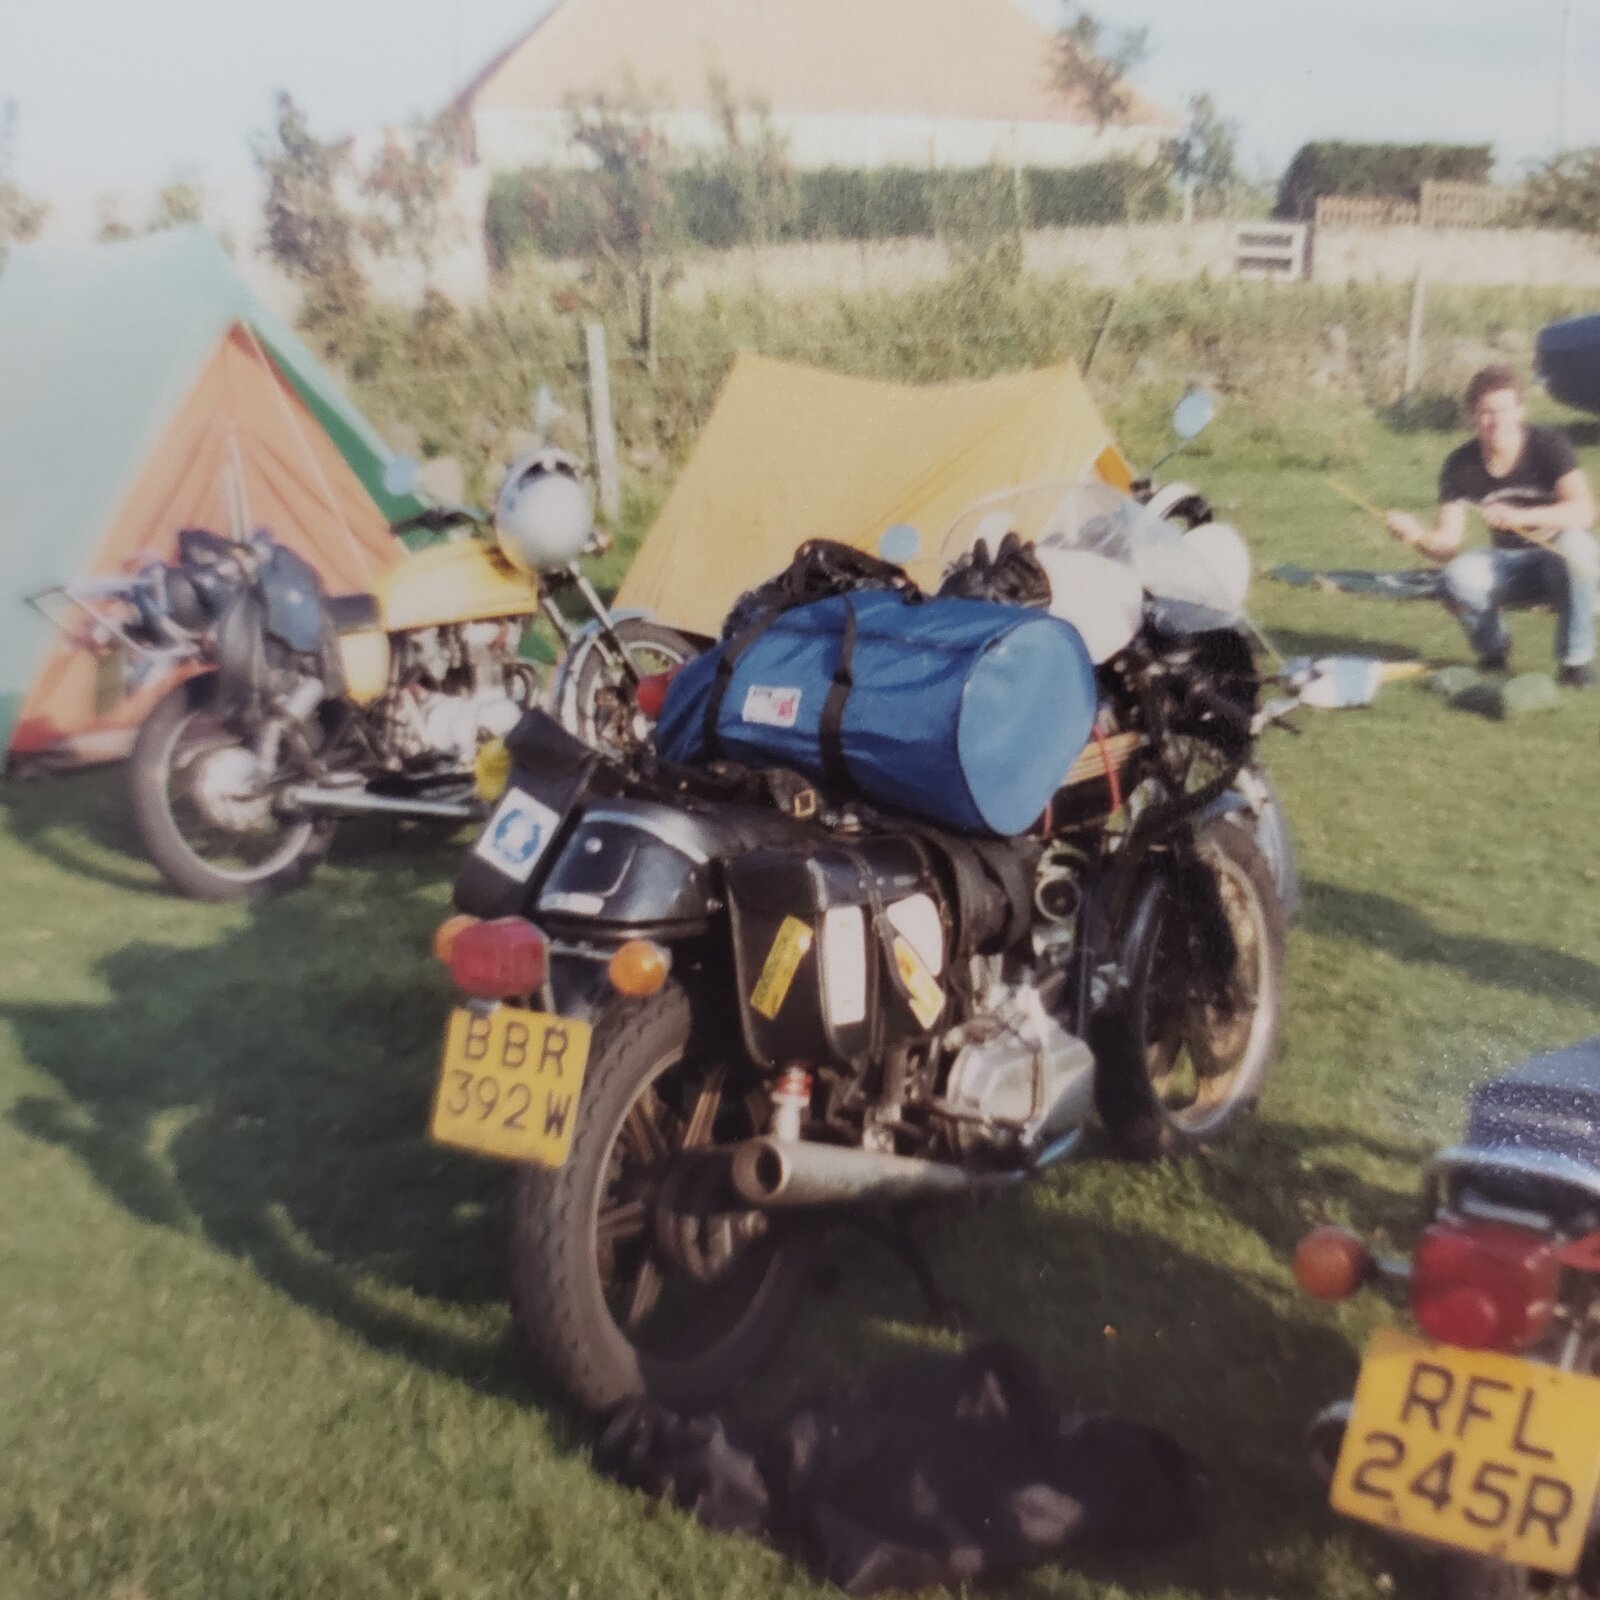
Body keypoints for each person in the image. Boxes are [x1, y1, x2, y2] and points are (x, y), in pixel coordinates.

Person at [1385, 364, 1598, 687]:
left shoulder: (1548, 445)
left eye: (1504, 410)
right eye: (1486, 412)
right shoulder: (1461, 464)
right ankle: (1493, 650)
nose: (1496, 421)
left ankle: (1575, 664)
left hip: (1557, 555)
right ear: (1472, 416)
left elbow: (1585, 512)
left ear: (1520, 411)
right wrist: (1415, 535)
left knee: (1577, 550)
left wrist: (1520, 517)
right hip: (1510, 565)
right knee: (1456, 576)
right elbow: (1447, 545)